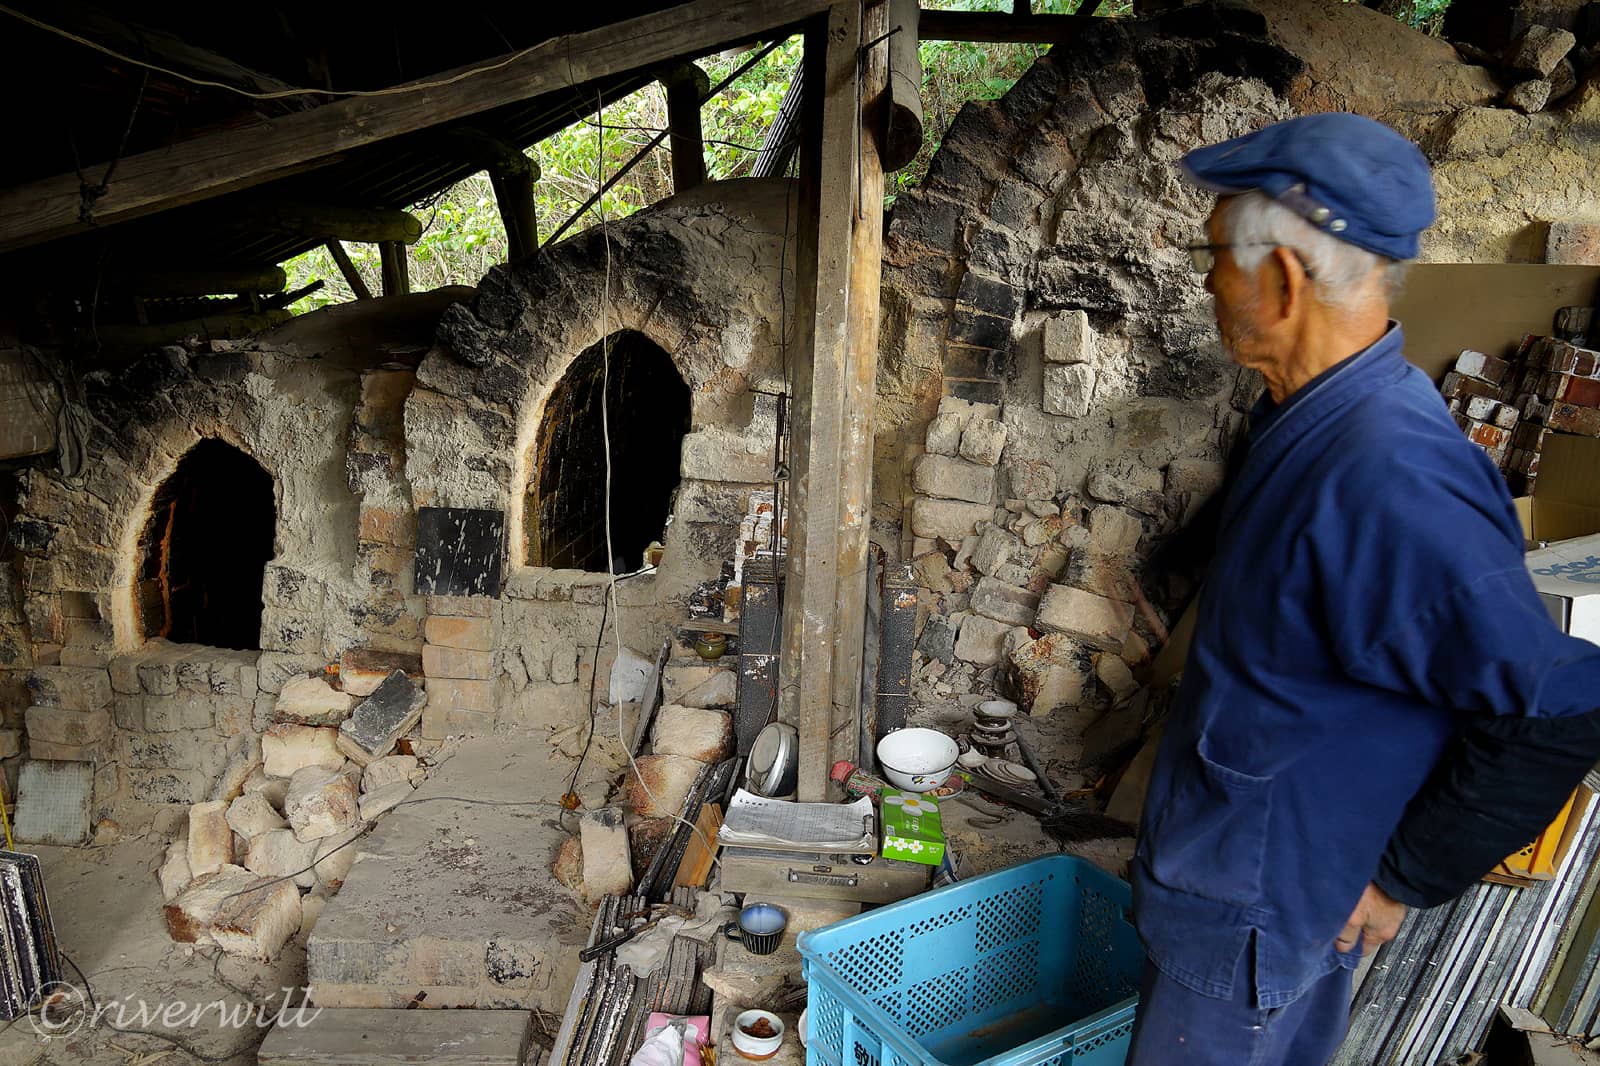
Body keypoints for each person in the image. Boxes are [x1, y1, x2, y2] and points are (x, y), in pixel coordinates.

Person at [1125, 112, 1600, 1065]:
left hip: (1268, 914)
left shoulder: (1386, 471)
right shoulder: (1311, 414)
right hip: (1237, 882)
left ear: (1285, 279)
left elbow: (1561, 706)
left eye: (1217, 255)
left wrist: (1400, 877)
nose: (1207, 279)